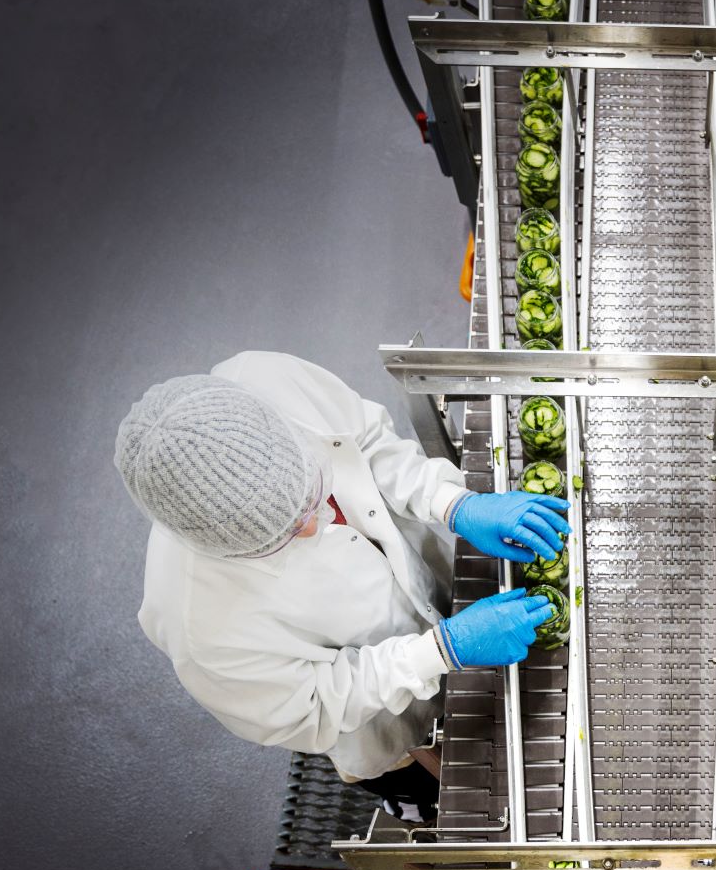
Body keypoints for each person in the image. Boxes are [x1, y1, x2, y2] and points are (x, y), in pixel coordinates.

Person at [113, 350, 569, 822]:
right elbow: (313, 708)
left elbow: (368, 442)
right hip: (394, 727)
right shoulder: (199, 628)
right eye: (286, 535)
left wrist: (450, 503)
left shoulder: (267, 380)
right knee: (429, 780)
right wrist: (441, 651)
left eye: (313, 494)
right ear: (222, 548)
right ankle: (412, 802)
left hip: (431, 584)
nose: (320, 522)